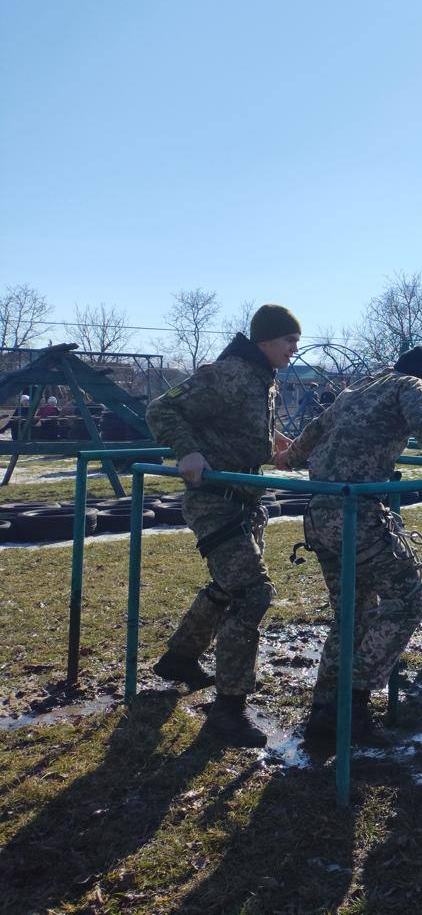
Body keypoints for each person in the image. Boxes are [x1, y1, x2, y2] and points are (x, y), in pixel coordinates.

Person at [276, 346, 422, 742]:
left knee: (353, 615)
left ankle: (323, 715)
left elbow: (315, 430)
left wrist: (288, 457)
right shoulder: (412, 385)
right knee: (409, 602)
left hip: (320, 513)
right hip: (355, 516)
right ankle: (353, 706)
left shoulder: (360, 388)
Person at [147, 304, 301, 746]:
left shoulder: (261, 378)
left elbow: (234, 426)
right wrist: (187, 451)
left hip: (243, 502)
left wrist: (271, 441)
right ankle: (228, 713)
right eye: (289, 340)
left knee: (226, 588)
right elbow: (163, 411)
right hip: (215, 502)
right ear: (266, 341)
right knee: (253, 593)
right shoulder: (232, 372)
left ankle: (179, 658)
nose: (295, 348)